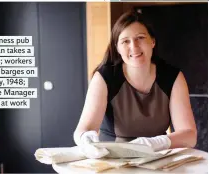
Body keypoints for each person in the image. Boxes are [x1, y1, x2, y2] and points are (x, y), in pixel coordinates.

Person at [73, 9, 197, 159]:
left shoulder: (173, 77)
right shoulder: (104, 77)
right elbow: (83, 130)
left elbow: (190, 135)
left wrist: (157, 142)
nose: (134, 46)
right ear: (117, 48)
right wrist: (86, 139)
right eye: (125, 41)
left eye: (140, 38)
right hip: (112, 160)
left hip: (157, 159)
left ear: (152, 41)